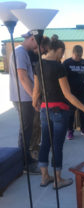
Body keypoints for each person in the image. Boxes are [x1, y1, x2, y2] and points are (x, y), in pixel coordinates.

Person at [33, 35, 84, 189]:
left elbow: (36, 90)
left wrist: (36, 102)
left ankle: (44, 177)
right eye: (62, 53)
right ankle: (58, 179)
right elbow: (68, 94)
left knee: (45, 143)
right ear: (59, 49)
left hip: (44, 109)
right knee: (57, 145)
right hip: (59, 110)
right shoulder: (58, 67)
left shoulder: (38, 64)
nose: (62, 56)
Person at [9, 31, 40, 174]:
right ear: (32, 39)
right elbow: (23, 77)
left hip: (25, 97)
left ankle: (26, 158)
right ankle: (24, 163)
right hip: (24, 98)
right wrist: (35, 97)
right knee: (25, 130)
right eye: (36, 42)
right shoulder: (20, 52)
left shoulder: (22, 52)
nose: (37, 47)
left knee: (27, 130)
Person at [63, 45, 84, 139]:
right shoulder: (66, 63)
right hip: (71, 94)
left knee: (83, 112)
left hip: (82, 92)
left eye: (80, 56)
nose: (78, 58)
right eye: (77, 56)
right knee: (71, 114)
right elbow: (62, 79)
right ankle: (70, 131)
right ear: (72, 53)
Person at [28, 36, 50, 160]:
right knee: (34, 125)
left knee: (39, 124)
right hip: (31, 96)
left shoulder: (38, 57)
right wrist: (34, 98)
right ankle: (33, 151)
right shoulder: (28, 54)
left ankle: (37, 147)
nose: (44, 53)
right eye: (44, 50)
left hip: (39, 95)